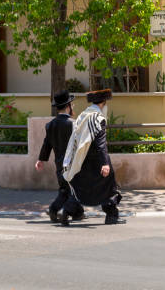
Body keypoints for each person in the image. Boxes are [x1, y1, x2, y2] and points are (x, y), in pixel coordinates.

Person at [61, 89, 124, 225]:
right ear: (103, 103)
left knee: (80, 187)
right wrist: (105, 163)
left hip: (81, 159)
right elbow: (101, 143)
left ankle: (67, 211)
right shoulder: (98, 118)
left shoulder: (83, 115)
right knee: (109, 186)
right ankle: (111, 216)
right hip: (97, 160)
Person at [35, 90, 84, 223]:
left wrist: (41, 160)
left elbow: (47, 144)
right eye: (72, 105)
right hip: (73, 165)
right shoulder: (74, 124)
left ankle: (58, 210)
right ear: (68, 106)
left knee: (65, 190)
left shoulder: (50, 125)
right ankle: (64, 211)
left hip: (59, 165)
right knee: (76, 190)